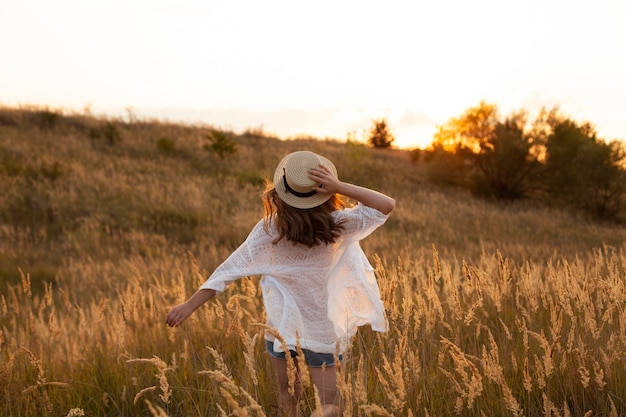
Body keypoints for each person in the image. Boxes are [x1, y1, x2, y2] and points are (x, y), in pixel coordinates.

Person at [166, 150, 395, 416]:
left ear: (280, 193)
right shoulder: (339, 224)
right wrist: (339, 186)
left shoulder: (270, 230)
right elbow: (385, 205)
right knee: (331, 407)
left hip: (283, 331)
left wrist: (190, 305)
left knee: (288, 403)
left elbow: (229, 270)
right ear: (324, 194)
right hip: (319, 332)